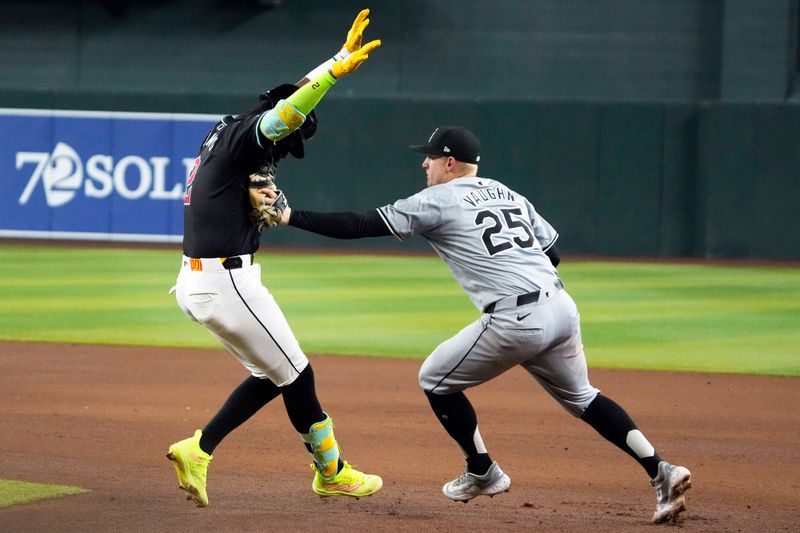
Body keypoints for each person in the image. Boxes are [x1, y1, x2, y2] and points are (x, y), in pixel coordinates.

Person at [262, 125, 692, 523]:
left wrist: (288, 215)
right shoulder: (506, 192)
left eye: (429, 157)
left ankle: (482, 470)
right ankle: (661, 470)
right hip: (561, 306)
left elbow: (360, 224)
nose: (423, 164)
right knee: (584, 397)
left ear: (449, 162)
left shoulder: (437, 199)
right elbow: (551, 253)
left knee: (434, 379)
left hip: (517, 317)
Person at [166, 9, 383, 507]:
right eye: (293, 137)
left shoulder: (227, 131)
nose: (289, 145)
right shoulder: (250, 135)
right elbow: (286, 113)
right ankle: (332, 472)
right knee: (300, 374)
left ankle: (198, 449)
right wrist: (332, 74)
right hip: (226, 281)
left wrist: (338, 55)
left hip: (199, 281)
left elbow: (283, 106)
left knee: (272, 374)